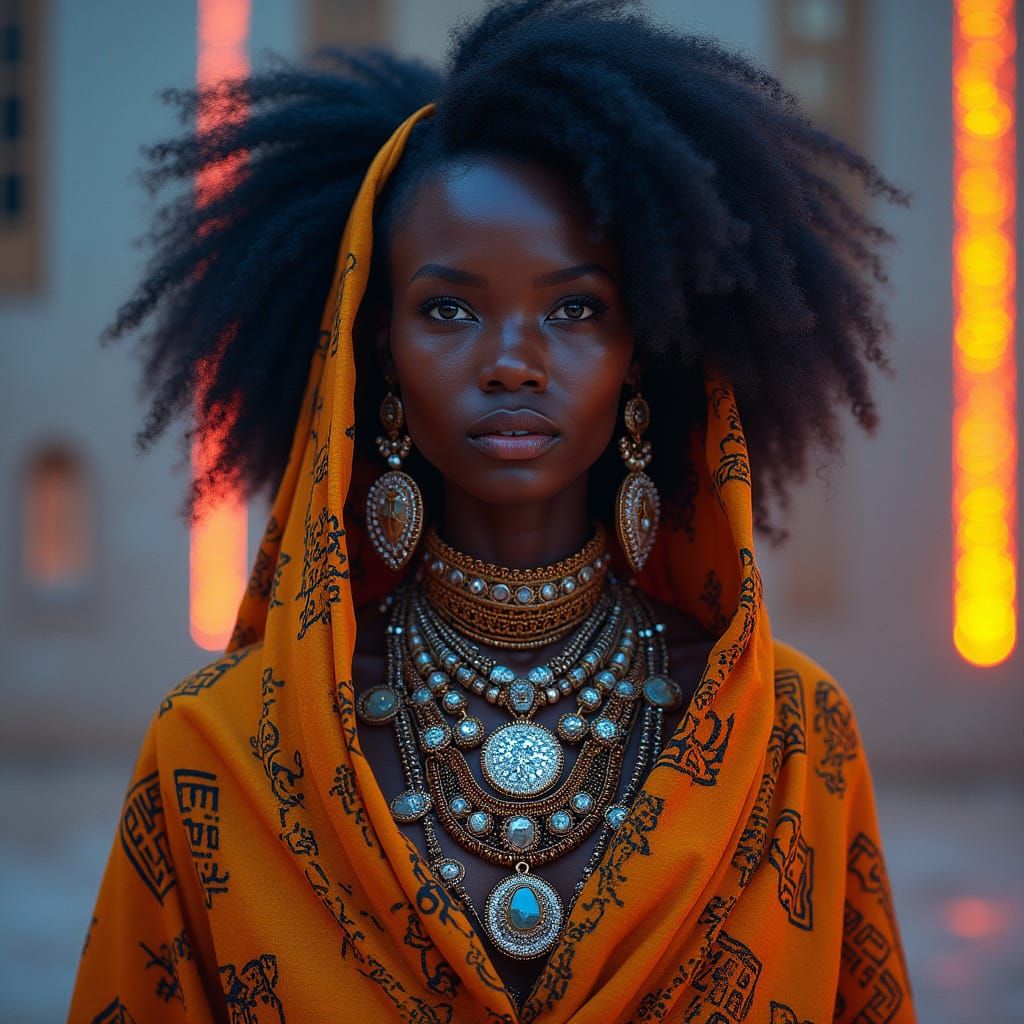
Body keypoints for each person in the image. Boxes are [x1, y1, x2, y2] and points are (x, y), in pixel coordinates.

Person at [69, 2, 917, 1021]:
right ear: (376, 350)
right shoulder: (217, 753)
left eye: (576, 308)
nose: (513, 362)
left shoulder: (793, 741)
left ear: (639, 350)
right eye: (450, 309)